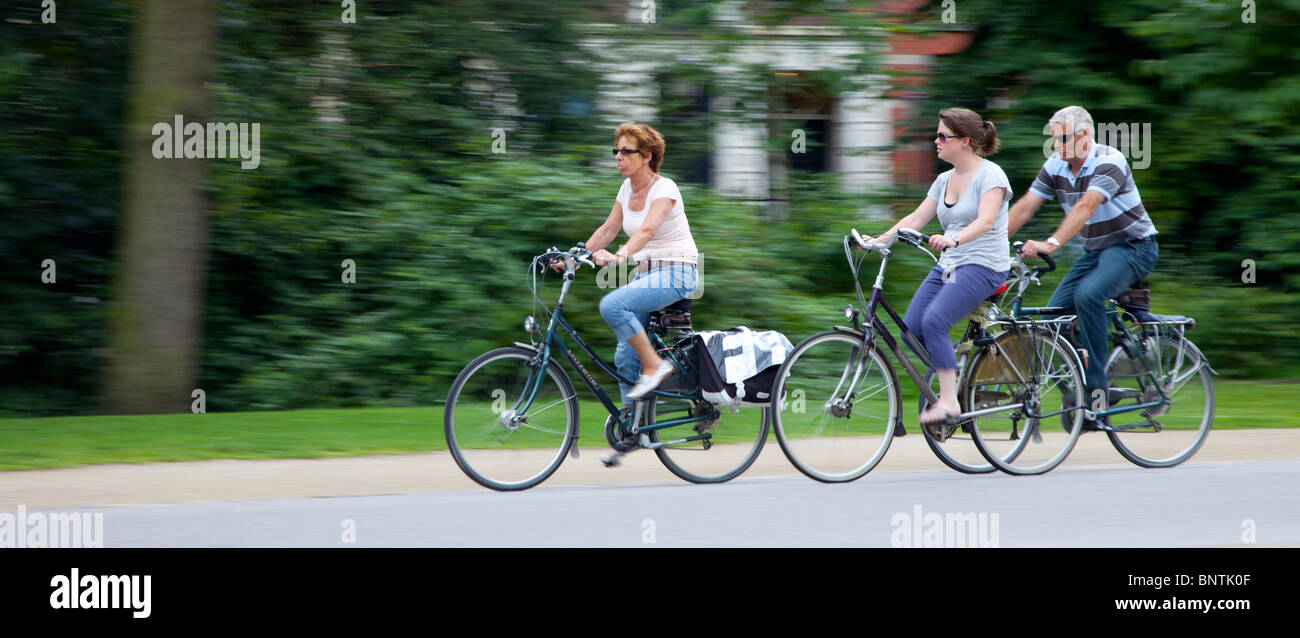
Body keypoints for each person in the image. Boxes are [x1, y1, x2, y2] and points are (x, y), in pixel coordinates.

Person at [1008, 106, 1158, 429]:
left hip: (1134, 247)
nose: (1056, 147)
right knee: (1052, 318)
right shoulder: (1056, 165)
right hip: (1097, 252)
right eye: (1053, 140)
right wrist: (988, 244)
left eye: (1062, 140)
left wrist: (1052, 243)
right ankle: (1076, 391)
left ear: (1084, 136)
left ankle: (1097, 390)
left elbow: (1085, 206)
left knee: (1089, 297)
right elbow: (1025, 208)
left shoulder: (1110, 160)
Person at [861, 108, 1011, 424]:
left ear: (966, 141)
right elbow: (914, 220)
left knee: (935, 320)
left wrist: (954, 239)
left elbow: (985, 222)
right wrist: (878, 240)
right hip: (950, 263)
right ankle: (952, 381)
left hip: (984, 265)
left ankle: (949, 402)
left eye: (943, 136)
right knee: (911, 329)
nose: (936, 141)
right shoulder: (944, 180)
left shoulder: (991, 176)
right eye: (937, 135)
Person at [558, 122, 698, 404]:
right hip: (647, 274)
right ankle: (632, 429)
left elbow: (646, 231)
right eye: (616, 150)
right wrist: (572, 257)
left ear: (647, 156)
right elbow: (608, 229)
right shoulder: (626, 188)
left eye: (626, 151)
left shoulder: (665, 188)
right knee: (625, 355)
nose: (618, 156)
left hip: (678, 271)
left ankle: (656, 366)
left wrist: (619, 256)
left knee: (612, 305)